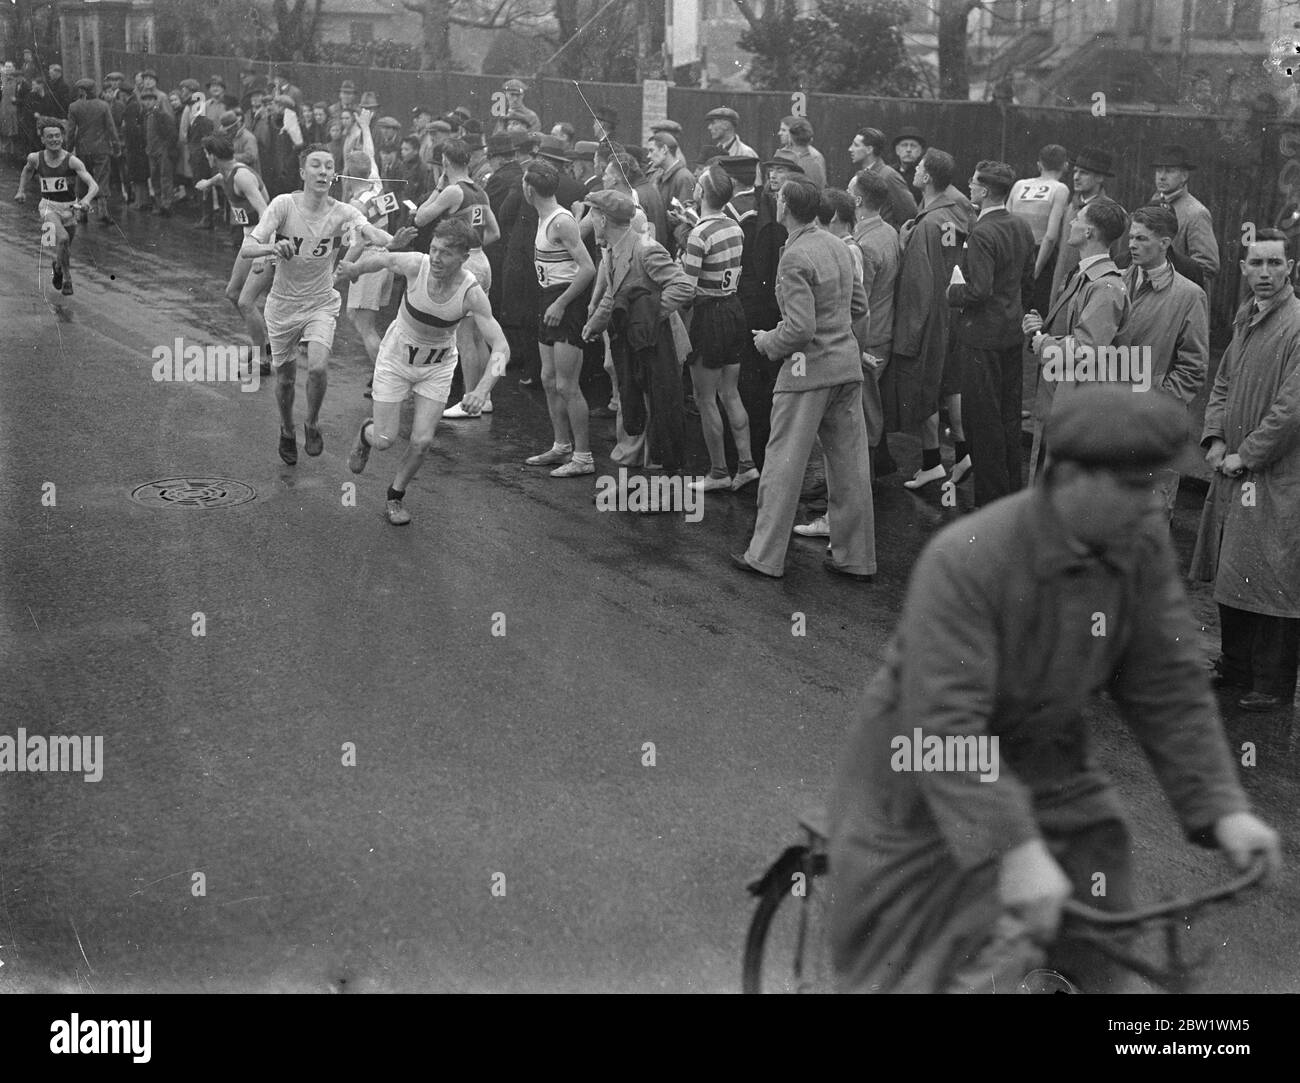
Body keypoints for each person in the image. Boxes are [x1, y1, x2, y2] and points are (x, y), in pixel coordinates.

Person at [827, 384, 1282, 994]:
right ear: (1066, 477)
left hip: (1047, 760)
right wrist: (1013, 849)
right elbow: (945, 727)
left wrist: (1224, 811)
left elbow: (1167, 684)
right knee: (929, 958)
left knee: (1102, 919)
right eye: (1132, 488)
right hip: (921, 781)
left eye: (1153, 486)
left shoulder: (1135, 547)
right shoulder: (967, 558)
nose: (1150, 508)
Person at [731, 175, 874, 581]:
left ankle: (764, 556)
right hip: (846, 370)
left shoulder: (795, 256)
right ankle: (856, 559)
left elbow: (799, 329)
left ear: (784, 208)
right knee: (850, 468)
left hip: (806, 373)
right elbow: (860, 307)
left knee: (782, 465)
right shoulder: (838, 245)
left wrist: (766, 342)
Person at [1191, 228, 1300, 712]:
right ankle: (1234, 667)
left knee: (1275, 572)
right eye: (1256, 264)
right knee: (1235, 566)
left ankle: (1271, 684)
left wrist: (1247, 454)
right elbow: (1223, 382)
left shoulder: (1296, 323)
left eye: (1274, 264)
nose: (1264, 273)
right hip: (1234, 465)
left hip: (1277, 471)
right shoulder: (1246, 318)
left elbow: (1291, 409)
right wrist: (1215, 438)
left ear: (1290, 268)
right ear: (1242, 269)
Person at [341, 219, 509, 525]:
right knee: (384, 439)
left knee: (421, 442)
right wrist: (354, 269)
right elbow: (383, 258)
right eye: (433, 249)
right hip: (396, 358)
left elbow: (501, 347)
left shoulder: (470, 292)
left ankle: (395, 496)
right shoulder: (416, 265)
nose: (436, 258)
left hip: (437, 367)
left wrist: (483, 389)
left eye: (445, 253)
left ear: (463, 257)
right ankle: (367, 436)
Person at [240, 144, 393, 465]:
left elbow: (367, 231)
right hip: (282, 306)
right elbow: (248, 248)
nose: (323, 171)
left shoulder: (343, 212)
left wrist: (393, 241)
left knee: (319, 367)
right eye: (316, 166)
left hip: (321, 302)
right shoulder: (283, 205)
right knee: (284, 379)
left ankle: (311, 422)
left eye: (328, 166)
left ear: (334, 174)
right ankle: (286, 428)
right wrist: (272, 246)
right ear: (302, 173)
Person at [581, 188, 695, 479]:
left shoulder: (645, 248)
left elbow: (683, 286)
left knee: (660, 416)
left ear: (604, 219)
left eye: (592, 214)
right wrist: (595, 323)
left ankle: (663, 491)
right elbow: (614, 295)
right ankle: (638, 482)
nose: (589, 220)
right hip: (635, 345)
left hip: (660, 344)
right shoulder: (611, 250)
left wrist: (647, 316)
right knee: (636, 410)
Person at [947, 161, 1038, 508]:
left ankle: (990, 506)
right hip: (1010, 335)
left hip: (981, 340)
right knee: (1007, 420)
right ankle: (1010, 499)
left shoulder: (982, 233)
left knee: (982, 424)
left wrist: (952, 292)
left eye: (972, 184)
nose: (969, 188)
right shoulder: (1021, 226)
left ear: (984, 192)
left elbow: (979, 290)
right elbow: (1027, 282)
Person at [1114, 204, 1209, 517]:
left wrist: (1159, 397)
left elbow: (1194, 367)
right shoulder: (1116, 280)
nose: (1132, 245)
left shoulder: (1188, 295)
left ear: (1166, 244)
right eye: (1131, 237)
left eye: (1142, 239)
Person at [1025, 199, 1131, 476]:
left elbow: (1087, 348)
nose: (1071, 222)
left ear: (1089, 233)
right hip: (1061, 396)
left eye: (1078, 219)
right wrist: (1041, 329)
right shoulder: (1085, 275)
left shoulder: (1105, 285)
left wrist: (1044, 343)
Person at [888, 148, 969, 490]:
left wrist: (908, 335)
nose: (915, 170)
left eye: (919, 167)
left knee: (925, 391)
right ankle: (962, 454)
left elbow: (918, 284)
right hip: (953, 312)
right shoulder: (955, 212)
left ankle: (933, 462)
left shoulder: (926, 225)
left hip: (927, 318)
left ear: (928, 178)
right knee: (948, 387)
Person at [680, 163, 756, 494]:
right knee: (730, 392)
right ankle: (747, 465)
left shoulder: (699, 234)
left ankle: (718, 471)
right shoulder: (734, 226)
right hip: (734, 311)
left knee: (704, 397)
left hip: (708, 317)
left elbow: (686, 288)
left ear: (702, 192)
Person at [414, 137, 502, 419]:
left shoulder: (452, 191)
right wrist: (474, 248)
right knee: (479, 333)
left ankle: (469, 401)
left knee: (465, 337)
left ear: (445, 163)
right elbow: (495, 232)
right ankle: (483, 397)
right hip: (481, 259)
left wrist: (438, 187)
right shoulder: (480, 191)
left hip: (465, 265)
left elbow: (420, 218)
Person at [522, 160, 598, 476]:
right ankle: (561, 445)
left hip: (565, 303)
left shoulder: (560, 221)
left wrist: (562, 304)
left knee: (567, 385)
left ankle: (583, 457)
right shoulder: (546, 218)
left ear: (529, 189)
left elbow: (588, 268)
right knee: (548, 379)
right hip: (548, 298)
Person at [196, 132, 274, 375]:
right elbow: (221, 176)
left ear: (212, 155)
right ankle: (263, 341)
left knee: (246, 301)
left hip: (265, 239)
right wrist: (208, 183)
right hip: (249, 237)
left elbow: (266, 213)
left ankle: (263, 360)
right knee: (232, 293)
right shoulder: (228, 171)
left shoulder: (242, 176)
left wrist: (261, 254)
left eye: (206, 153)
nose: (205, 157)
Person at [849, 169, 901, 481]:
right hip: (884, 331)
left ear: (857, 200)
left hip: (869, 338)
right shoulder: (888, 232)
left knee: (864, 415)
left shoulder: (865, 244)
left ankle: (859, 485)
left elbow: (859, 304)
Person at [13, 116, 98, 295]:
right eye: (49, 137)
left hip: (70, 208)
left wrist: (86, 200)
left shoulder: (72, 161)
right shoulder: (35, 158)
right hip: (48, 207)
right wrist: (21, 190)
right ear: (42, 139)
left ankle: (58, 267)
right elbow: (27, 171)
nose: (54, 140)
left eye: (57, 136)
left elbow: (94, 185)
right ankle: (67, 278)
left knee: (64, 246)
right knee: (63, 239)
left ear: (63, 137)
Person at [1048, 147, 1124, 308]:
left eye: (1084, 173)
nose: (1076, 177)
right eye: (1075, 171)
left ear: (1099, 177)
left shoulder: (1111, 210)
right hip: (1060, 286)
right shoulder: (1071, 206)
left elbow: (1118, 256)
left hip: (1090, 292)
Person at [1008, 144, 1071, 317]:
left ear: (1039, 165)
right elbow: (1050, 236)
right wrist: (1035, 270)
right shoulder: (1060, 189)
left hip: (1013, 252)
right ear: (1065, 165)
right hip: (1040, 255)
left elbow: (1006, 221)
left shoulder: (1019, 185)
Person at [1149, 143, 1220, 293]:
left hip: (1178, 296)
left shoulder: (1196, 213)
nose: (1161, 176)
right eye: (1158, 170)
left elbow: (1207, 265)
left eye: (1169, 171)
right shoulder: (1153, 204)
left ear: (1184, 176)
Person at [66, 77, 119, 225]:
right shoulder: (103, 105)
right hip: (101, 148)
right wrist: (116, 146)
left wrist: (68, 150)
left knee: (83, 179)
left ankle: (82, 213)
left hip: (82, 149)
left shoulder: (74, 107)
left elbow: (70, 132)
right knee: (102, 178)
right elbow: (111, 128)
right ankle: (103, 211)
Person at [847, 127, 916, 230]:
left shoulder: (888, 176)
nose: (850, 149)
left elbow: (910, 213)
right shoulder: (862, 175)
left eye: (856, 145)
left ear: (869, 149)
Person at [141, 88, 177, 217]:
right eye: (145, 100)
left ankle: (167, 205)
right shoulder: (145, 117)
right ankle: (158, 205)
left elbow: (171, 134)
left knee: (165, 178)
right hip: (151, 152)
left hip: (163, 152)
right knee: (155, 178)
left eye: (150, 100)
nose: (148, 103)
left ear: (155, 101)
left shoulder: (162, 115)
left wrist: (166, 149)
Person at [775, 116, 826, 188]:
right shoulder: (780, 153)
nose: (779, 133)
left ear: (792, 134)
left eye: (783, 130)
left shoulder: (815, 156)